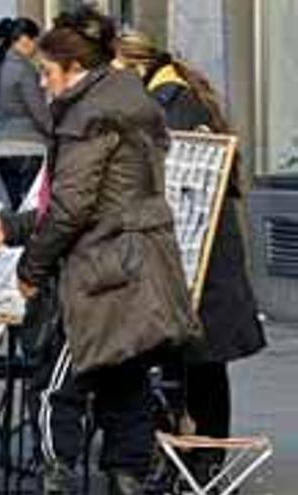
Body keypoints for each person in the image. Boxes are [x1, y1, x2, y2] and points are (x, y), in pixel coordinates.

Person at [0, 7, 199, 494]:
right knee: (127, 380)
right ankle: (126, 478)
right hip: (142, 265)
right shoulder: (128, 99)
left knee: (59, 382)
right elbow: (97, 202)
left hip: (102, 271)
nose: (43, 85)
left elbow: (73, 207)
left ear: (74, 70)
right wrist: (13, 228)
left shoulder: (88, 114)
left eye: (47, 74)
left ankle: (58, 477)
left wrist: (30, 270)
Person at [115, 31, 267, 484]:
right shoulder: (165, 97)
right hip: (189, 256)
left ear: (134, 67)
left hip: (201, 260)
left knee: (202, 364)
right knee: (193, 363)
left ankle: (203, 462)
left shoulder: (172, 104)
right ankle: (193, 459)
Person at [0, 17, 50, 209]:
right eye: (36, 41)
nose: (36, 48)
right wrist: (54, 133)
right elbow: (38, 110)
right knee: (31, 207)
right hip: (28, 145)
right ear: (25, 40)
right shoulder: (24, 69)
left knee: (16, 203)